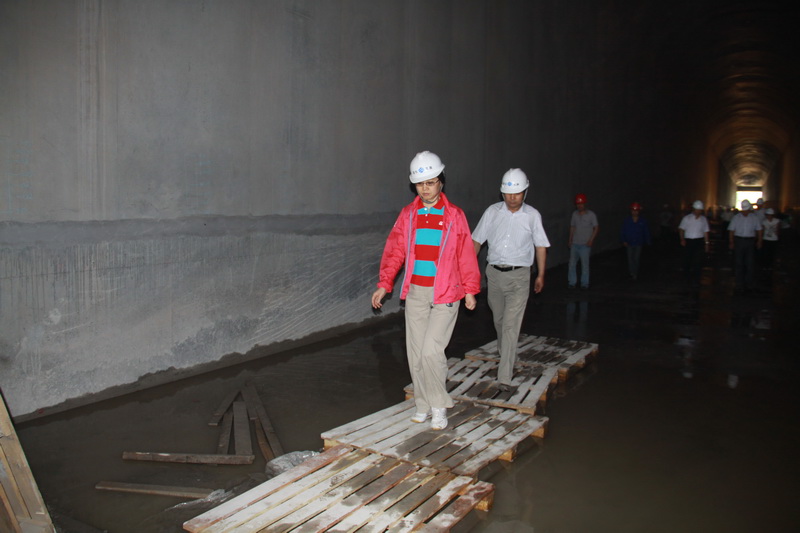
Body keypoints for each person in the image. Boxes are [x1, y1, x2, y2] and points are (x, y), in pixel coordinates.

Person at [371, 150, 480, 430]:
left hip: (446, 291)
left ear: (441, 181)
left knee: (432, 351)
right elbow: (395, 251)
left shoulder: (455, 215)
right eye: (420, 184)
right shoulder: (408, 215)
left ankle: (439, 405)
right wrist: (385, 284)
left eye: (430, 182)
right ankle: (422, 404)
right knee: (416, 353)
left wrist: (470, 289)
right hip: (416, 291)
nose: (425, 188)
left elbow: (465, 254)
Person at [472, 169, 550, 389]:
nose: (512, 197)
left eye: (517, 193)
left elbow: (540, 246)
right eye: (508, 193)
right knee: (499, 320)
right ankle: (507, 352)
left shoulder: (532, 216)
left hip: (519, 276)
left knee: (510, 325)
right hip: (494, 275)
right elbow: (476, 241)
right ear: (502, 193)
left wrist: (541, 274)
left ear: (525, 192)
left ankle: (504, 376)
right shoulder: (492, 212)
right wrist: (469, 270)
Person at [727, 199, 763, 293]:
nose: (745, 212)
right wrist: (731, 242)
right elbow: (731, 230)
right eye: (744, 210)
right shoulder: (736, 218)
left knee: (750, 263)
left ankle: (749, 283)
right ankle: (739, 283)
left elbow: (759, 229)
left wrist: (759, 240)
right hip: (739, 241)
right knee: (738, 262)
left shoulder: (754, 218)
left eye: (746, 210)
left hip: (750, 241)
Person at [568, 193, 599, 289]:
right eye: (578, 204)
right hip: (575, 243)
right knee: (572, 264)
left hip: (585, 244)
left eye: (581, 204)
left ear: (584, 204)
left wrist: (591, 240)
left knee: (585, 265)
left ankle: (584, 283)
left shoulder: (591, 215)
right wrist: (570, 239)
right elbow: (572, 227)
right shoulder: (574, 214)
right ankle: (572, 282)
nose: (579, 206)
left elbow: (596, 228)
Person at [678, 200, 711, 288]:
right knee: (687, 260)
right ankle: (686, 278)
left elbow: (706, 232)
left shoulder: (703, 220)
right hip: (689, 241)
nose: (698, 212)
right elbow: (681, 229)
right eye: (697, 210)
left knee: (698, 261)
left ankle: (696, 279)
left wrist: (707, 243)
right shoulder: (687, 218)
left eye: (699, 210)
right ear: (694, 209)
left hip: (699, 241)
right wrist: (682, 239)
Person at [619, 202, 651, 280]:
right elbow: (623, 231)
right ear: (631, 211)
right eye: (633, 210)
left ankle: (635, 272)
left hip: (638, 242)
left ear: (639, 211)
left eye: (636, 211)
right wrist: (623, 240)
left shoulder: (642, 221)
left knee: (636, 258)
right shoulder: (627, 221)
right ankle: (631, 272)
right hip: (629, 242)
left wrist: (648, 241)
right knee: (630, 258)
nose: (635, 212)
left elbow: (646, 231)